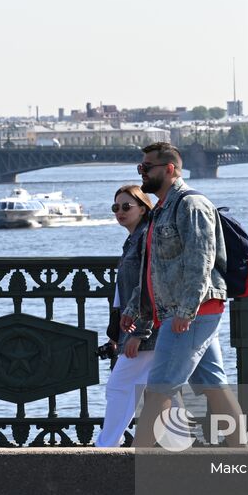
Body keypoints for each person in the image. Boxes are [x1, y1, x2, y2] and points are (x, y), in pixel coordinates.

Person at [123, 141, 243, 447]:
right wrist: (136, 308)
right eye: (141, 167)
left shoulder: (191, 205)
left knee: (159, 389)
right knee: (215, 386)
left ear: (170, 169)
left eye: (147, 168)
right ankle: (244, 455)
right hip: (184, 312)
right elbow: (156, 268)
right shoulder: (161, 210)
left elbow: (201, 260)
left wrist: (186, 311)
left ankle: (134, 467)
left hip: (192, 311)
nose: (142, 173)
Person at [94, 184, 160, 447]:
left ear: (143, 208)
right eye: (115, 207)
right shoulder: (133, 240)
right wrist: (116, 336)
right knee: (157, 391)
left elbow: (150, 288)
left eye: (126, 207)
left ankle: (107, 447)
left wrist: (138, 333)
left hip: (145, 332)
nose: (119, 212)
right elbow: (124, 297)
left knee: (120, 387)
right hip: (137, 331)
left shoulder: (145, 238)